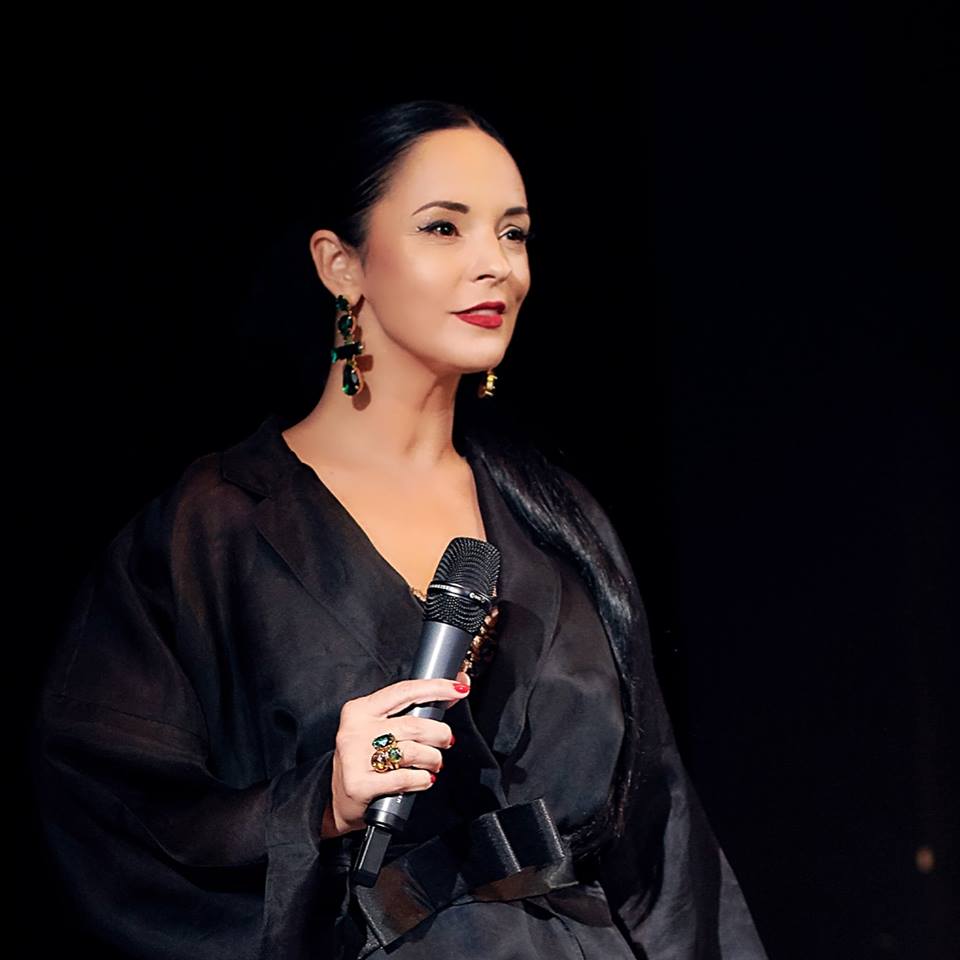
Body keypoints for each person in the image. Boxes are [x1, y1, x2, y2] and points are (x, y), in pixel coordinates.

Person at [29, 99, 769, 959]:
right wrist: (317, 803)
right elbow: (113, 818)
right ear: (341, 264)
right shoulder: (211, 534)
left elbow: (663, 841)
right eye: (443, 228)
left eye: (515, 233)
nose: (496, 264)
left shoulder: (556, 520)